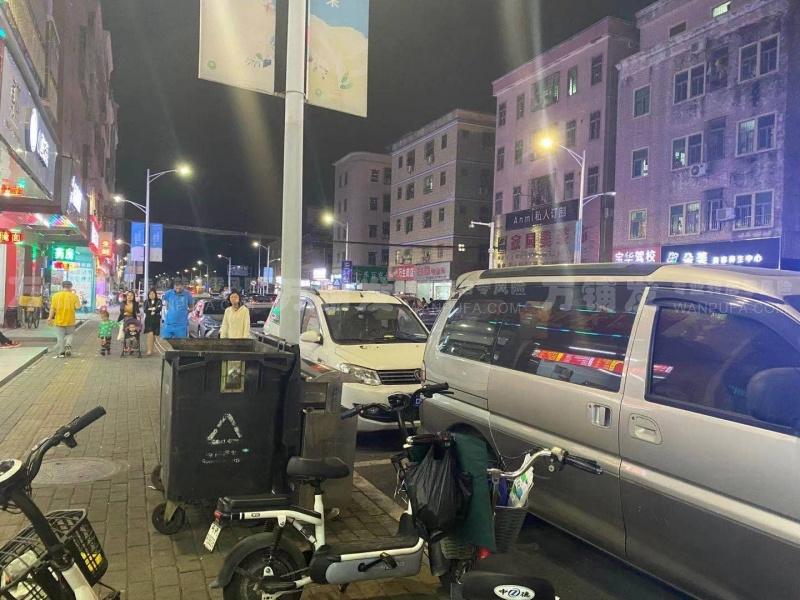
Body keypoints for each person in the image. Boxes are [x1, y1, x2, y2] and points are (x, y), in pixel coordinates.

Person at [48, 280, 81, 357]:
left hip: (59, 320)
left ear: (62, 286)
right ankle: (68, 344)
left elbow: (52, 308)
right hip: (70, 320)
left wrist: (50, 317)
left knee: (60, 337)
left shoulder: (55, 296)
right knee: (70, 334)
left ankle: (61, 352)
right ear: (71, 287)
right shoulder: (74, 296)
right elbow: (78, 307)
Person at [142, 288, 163, 355]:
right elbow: (145, 310)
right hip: (148, 319)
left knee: (154, 335)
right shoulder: (146, 301)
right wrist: (153, 309)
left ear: (155, 294)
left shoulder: (159, 301)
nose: (151, 295)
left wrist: (151, 309)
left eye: (153, 294)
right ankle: (149, 350)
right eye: (150, 294)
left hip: (156, 319)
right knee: (150, 334)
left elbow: (159, 308)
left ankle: (152, 349)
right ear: (148, 295)